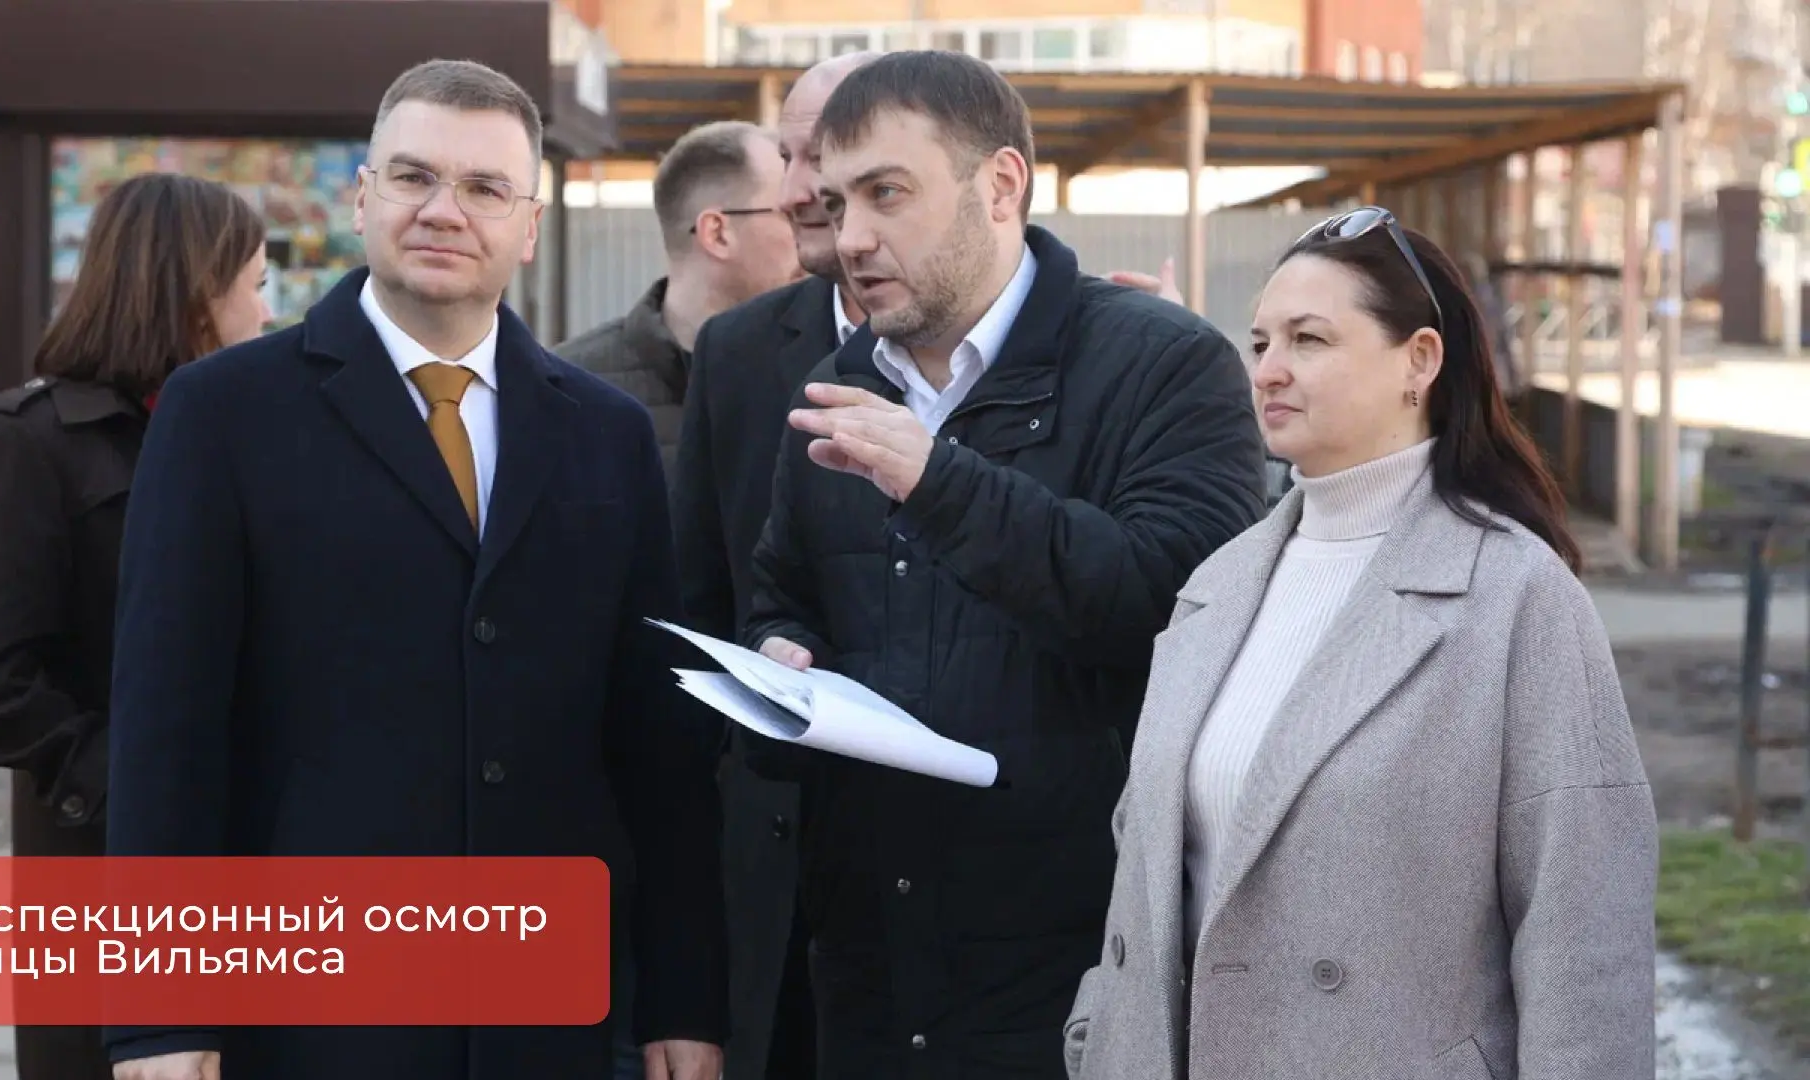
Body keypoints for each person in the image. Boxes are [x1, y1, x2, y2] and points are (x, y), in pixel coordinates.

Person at [103, 59, 727, 1080]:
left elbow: (653, 742)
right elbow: (167, 727)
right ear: (362, 199)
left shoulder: (605, 433)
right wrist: (161, 1014)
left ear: (529, 227)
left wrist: (685, 998)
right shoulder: (223, 413)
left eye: (485, 188)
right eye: (413, 177)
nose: (444, 210)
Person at [741, 50, 1269, 1079]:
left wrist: (938, 481)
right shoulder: (834, 386)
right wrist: (781, 660)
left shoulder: (1163, 364)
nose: (851, 238)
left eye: (887, 194)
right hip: (872, 979)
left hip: (1087, 983)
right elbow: (784, 593)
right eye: (838, 203)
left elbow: (1179, 611)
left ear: (1001, 184)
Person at [1063, 209, 1657, 1080]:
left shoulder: (1518, 598)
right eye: (1260, 342)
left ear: (1420, 360)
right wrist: (1098, 1033)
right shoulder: (1218, 585)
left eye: (1308, 340)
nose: (1269, 369)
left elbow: (1587, 939)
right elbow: (1151, 873)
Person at [0, 172, 269, 1080]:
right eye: (255, 284)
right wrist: (150, 793)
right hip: (103, 879)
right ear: (196, 293)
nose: (266, 312)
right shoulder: (32, 440)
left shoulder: (249, 437)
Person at [668, 49, 878, 1080]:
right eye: (787, 156)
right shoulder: (738, 354)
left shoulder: (1066, 352)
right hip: (774, 894)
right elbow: (696, 620)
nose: (797, 188)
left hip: (974, 892)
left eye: (823, 155)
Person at [555, 119, 800, 489]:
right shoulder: (566, 395)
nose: (813, 237)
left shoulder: (827, 376)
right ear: (717, 233)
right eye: (792, 215)